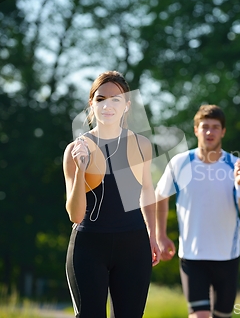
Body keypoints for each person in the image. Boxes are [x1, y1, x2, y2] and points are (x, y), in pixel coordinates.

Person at [63, 71, 160, 318]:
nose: (108, 105)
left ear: (126, 105)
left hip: (134, 245)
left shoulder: (141, 145)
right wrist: (82, 168)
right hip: (89, 246)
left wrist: (153, 235)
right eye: (101, 98)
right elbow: (75, 215)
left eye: (116, 99)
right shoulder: (76, 149)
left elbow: (147, 192)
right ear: (91, 104)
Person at [156, 104, 240, 318]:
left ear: (223, 131)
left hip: (227, 257)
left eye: (215, 127)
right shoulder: (180, 163)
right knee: (199, 315)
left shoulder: (237, 166)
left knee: (222, 316)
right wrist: (161, 235)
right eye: (205, 127)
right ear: (196, 130)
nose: (209, 132)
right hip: (192, 256)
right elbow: (160, 195)